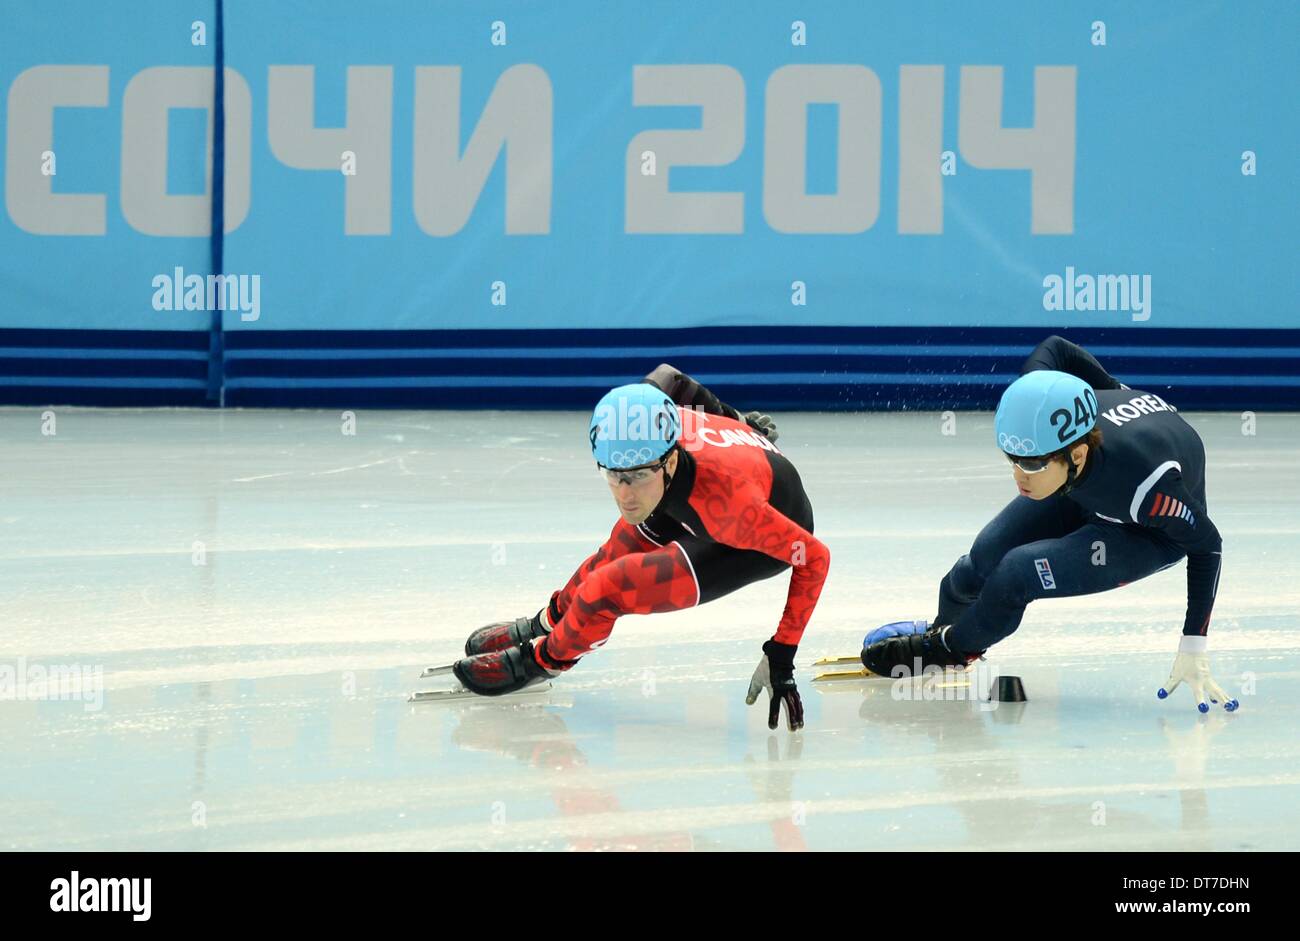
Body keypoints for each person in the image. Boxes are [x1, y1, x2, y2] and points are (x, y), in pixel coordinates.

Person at [862, 336, 1238, 713]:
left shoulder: (1149, 488)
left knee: (1016, 573)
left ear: (1076, 453)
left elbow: (1208, 543)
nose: (1018, 475)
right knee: (980, 560)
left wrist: (1194, 643)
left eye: (1031, 464)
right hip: (1085, 488)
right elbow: (1055, 347)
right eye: (1012, 459)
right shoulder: (1054, 411)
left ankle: (952, 649)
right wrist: (1098, 385)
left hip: (1144, 533)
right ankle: (943, 629)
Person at [451, 364, 830, 730]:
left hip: (754, 535)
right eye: (612, 476)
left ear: (668, 460)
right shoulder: (647, 415)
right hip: (709, 476)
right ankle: (543, 623)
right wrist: (740, 422)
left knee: (609, 589)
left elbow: (815, 557)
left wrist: (781, 653)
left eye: (635, 477)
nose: (624, 494)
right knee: (610, 553)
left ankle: (541, 660)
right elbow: (671, 377)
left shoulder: (732, 509)